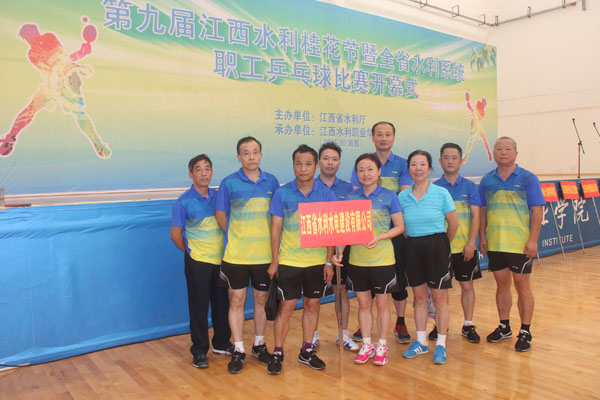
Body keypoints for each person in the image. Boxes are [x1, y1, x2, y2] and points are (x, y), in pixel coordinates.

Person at [266, 144, 335, 375]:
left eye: (308, 164)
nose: (303, 168)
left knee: (312, 305)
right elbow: (276, 229)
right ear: (293, 165)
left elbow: (331, 230)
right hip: (289, 261)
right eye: (298, 163)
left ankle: (307, 351)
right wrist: (274, 261)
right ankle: (277, 352)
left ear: (316, 166)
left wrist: (328, 262)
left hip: (316, 262)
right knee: (285, 307)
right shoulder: (282, 193)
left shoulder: (326, 194)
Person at [0, 20, 111, 158]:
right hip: (53, 83)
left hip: (67, 80)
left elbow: (64, 59)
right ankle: (10, 137)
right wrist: (80, 54)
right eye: (26, 36)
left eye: (29, 33)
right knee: (31, 109)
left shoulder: (48, 38)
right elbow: (58, 63)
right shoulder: (32, 53)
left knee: (79, 113)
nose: (29, 38)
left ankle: (97, 143)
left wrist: (81, 54)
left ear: (35, 31)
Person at [215, 137, 280, 374]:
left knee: (261, 301)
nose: (251, 157)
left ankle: (259, 344)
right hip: (236, 256)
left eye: (255, 152)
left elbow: (277, 218)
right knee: (236, 301)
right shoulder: (228, 183)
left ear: (261, 155)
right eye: (246, 153)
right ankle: (239, 348)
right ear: (238, 157)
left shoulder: (271, 181)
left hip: (264, 256)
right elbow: (221, 215)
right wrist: (238, 236)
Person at [334, 153, 405, 366]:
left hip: (383, 260)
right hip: (358, 261)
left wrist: (380, 237)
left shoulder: (389, 196)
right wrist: (339, 253)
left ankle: (381, 345)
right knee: (363, 304)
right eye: (361, 170)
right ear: (357, 174)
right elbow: (345, 232)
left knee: (382, 305)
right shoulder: (351, 198)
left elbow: (400, 227)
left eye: (370, 169)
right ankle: (367, 344)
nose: (366, 174)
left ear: (379, 171)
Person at [478, 136, 544, 352]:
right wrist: (483, 237)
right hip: (496, 243)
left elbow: (537, 211)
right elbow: (483, 211)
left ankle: (525, 330)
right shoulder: (487, 180)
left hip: (520, 244)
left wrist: (533, 240)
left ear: (516, 153)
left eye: (508, 149)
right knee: (502, 286)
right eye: (499, 149)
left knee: (522, 286)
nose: (503, 152)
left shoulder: (528, 178)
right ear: (493, 154)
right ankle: (504, 326)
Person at [350, 121, 412, 344]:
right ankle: (365, 327)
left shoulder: (402, 164)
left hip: (392, 230)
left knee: (397, 282)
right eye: (379, 134)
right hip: (364, 235)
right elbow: (356, 198)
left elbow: (404, 194)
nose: (383, 138)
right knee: (366, 289)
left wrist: (385, 210)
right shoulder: (363, 163)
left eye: (387, 134)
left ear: (393, 137)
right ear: (373, 137)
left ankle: (400, 322)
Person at [170, 154, 233, 368]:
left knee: (222, 304)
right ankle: (199, 351)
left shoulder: (219, 197)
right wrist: (191, 252)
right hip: (198, 262)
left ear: (212, 173)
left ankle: (222, 343)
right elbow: (175, 235)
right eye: (199, 169)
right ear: (191, 174)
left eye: (207, 168)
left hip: (220, 261)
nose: (204, 173)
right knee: (199, 307)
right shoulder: (183, 202)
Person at [398, 150, 459, 365]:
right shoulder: (402, 196)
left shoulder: (441, 193)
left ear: (430, 168)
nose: (418, 168)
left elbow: (454, 223)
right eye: (414, 164)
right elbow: (400, 226)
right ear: (409, 169)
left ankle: (441, 344)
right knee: (419, 297)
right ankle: (421, 342)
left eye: (422, 164)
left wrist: (442, 244)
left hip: (437, 246)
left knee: (440, 298)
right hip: (412, 247)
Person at [431, 143, 483, 343]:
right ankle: (440, 325)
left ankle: (468, 324)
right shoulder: (434, 188)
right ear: (440, 161)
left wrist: (471, 243)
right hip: (440, 250)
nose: (450, 161)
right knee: (440, 291)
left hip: (464, 248)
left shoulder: (470, 187)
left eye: (454, 157)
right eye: (446, 157)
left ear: (461, 161)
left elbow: (476, 216)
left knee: (467, 286)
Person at [311, 142, 359, 352]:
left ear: (339, 163)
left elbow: (352, 221)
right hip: (314, 250)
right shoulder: (309, 186)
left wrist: (339, 251)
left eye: (334, 159)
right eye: (326, 158)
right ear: (318, 162)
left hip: (342, 250)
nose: (330, 163)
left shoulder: (349, 189)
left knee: (341, 291)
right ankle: (311, 335)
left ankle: (343, 334)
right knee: (312, 297)